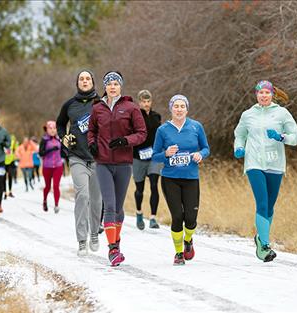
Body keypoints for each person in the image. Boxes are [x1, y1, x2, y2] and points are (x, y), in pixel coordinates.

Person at [233, 80, 297, 262]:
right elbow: (240, 134)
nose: (264, 95)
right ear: (256, 95)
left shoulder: (282, 113)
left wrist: (281, 137)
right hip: (254, 163)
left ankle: (260, 238)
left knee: (270, 206)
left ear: (272, 94)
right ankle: (265, 245)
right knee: (262, 203)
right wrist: (239, 147)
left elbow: (296, 137)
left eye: (267, 93)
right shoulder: (248, 115)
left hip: (275, 164)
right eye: (260, 92)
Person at [87, 71, 147, 266]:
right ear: (105, 87)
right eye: (109, 84)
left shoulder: (131, 108)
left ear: (121, 86)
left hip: (123, 163)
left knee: (119, 208)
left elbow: (142, 134)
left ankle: (116, 241)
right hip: (103, 162)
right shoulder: (97, 108)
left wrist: (125, 141)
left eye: (116, 83)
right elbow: (92, 130)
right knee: (110, 205)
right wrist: (92, 143)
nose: (112, 86)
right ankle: (113, 249)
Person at [152, 95, 210, 266]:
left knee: (191, 218)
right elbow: (155, 156)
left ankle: (188, 240)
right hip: (170, 178)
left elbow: (206, 148)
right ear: (171, 109)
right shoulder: (163, 130)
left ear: (187, 109)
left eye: (182, 106)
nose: (178, 109)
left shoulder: (196, 127)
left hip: (191, 178)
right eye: (175, 106)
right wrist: (166, 154)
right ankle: (178, 253)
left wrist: (201, 154)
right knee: (177, 216)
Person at [56, 69, 103, 256]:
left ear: (93, 82)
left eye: (88, 78)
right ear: (77, 83)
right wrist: (63, 137)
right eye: (81, 79)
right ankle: (82, 240)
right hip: (77, 157)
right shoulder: (70, 105)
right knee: (82, 196)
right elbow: (60, 124)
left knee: (97, 200)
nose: (85, 81)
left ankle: (94, 234)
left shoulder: (101, 103)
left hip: (98, 158)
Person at [132, 90, 163, 230]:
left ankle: (153, 218)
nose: (146, 104)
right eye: (143, 101)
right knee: (140, 189)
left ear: (151, 102)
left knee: (154, 185)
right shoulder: (134, 117)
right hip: (138, 157)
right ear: (139, 102)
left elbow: (160, 135)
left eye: (148, 101)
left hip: (154, 157)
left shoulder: (157, 117)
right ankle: (139, 213)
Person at [39, 121, 63, 213]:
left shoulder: (59, 139)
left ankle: (56, 205)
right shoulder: (44, 140)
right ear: (47, 129)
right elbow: (41, 153)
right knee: (48, 187)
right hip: (47, 166)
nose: (53, 130)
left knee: (56, 186)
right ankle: (45, 200)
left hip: (58, 165)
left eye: (54, 128)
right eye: (50, 128)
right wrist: (51, 150)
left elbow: (63, 151)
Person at [4, 134, 19, 199]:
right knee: (3, 178)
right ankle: (4, 192)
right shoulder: (2, 141)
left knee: (10, 176)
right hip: (3, 162)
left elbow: (16, 150)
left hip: (11, 161)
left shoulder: (13, 140)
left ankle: (10, 191)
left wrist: (16, 158)